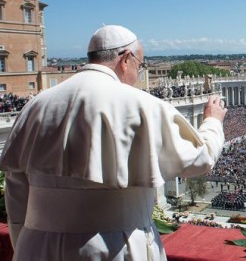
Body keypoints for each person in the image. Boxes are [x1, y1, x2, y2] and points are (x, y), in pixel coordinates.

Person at [0, 25, 227, 261]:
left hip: (36, 248)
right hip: (115, 248)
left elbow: (16, 189)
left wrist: (25, 244)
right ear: (126, 59)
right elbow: (201, 160)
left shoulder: (35, 105)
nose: (139, 72)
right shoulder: (143, 105)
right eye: (140, 65)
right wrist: (212, 122)